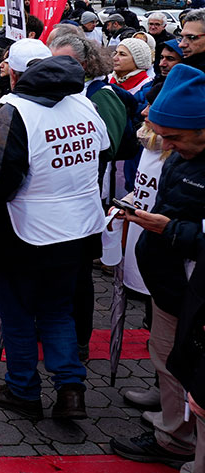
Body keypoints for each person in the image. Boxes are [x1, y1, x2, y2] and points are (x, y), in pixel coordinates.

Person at [0, 39, 110, 422]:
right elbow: (102, 153)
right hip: (78, 228)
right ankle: (71, 390)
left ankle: (22, 389)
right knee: (57, 310)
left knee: (17, 312)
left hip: (26, 231)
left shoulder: (13, 110)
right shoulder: (84, 102)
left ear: (14, 74)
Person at [112, 64, 205, 468]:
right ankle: (175, 426)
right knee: (165, 355)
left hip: (193, 288)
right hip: (169, 281)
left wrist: (172, 230)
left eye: (175, 138)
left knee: (182, 363)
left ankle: (177, 441)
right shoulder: (181, 155)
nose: (166, 144)